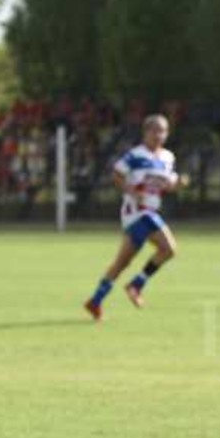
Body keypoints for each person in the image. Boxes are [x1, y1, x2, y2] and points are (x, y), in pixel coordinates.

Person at [83, 113, 182, 320]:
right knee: (169, 248)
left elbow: (166, 184)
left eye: (162, 131)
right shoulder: (136, 155)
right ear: (145, 133)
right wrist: (130, 190)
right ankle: (136, 285)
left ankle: (95, 301)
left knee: (121, 263)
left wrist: (175, 184)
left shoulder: (167, 158)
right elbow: (117, 174)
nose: (158, 135)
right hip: (137, 212)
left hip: (150, 211)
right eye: (154, 130)